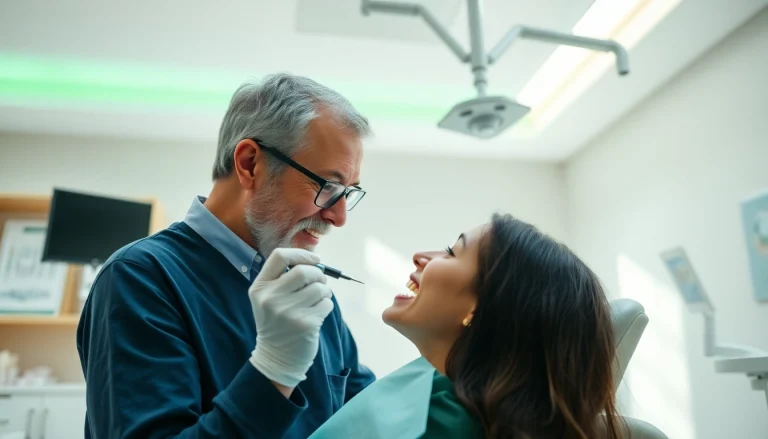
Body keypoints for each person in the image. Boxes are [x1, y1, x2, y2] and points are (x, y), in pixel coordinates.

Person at [76, 73, 376, 438]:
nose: (339, 216)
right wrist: (272, 373)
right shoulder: (141, 278)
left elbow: (368, 418)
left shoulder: (307, 295)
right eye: (327, 186)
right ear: (250, 163)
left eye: (349, 192)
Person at [310, 213, 623, 439]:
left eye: (452, 252)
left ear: (484, 306)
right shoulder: (445, 378)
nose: (420, 256)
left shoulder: (444, 426)